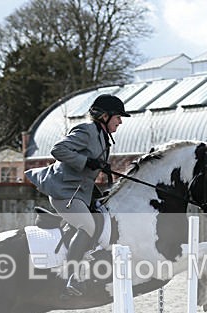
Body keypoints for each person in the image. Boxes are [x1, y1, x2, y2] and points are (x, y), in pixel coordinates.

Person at [25, 93, 130, 298]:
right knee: (88, 226)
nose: (120, 121)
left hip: (81, 191)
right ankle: (71, 277)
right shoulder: (88, 130)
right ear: (105, 116)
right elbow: (58, 150)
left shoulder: (102, 136)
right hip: (65, 192)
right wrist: (86, 161)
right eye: (118, 117)